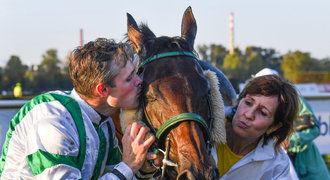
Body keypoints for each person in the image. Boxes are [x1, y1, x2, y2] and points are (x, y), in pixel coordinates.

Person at [0, 38, 156, 179]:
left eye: (136, 73)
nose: (139, 81)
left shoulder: (104, 120)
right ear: (102, 90)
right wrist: (129, 166)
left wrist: (144, 168)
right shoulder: (54, 121)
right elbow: (122, 172)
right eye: (129, 78)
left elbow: (115, 174)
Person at [216, 74, 299, 179]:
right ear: (239, 100)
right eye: (248, 102)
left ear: (274, 127)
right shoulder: (202, 125)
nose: (248, 115)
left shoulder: (278, 166)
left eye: (263, 113)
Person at [255, 68, 330, 180]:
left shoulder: (294, 100)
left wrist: (288, 142)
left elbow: (314, 128)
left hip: (307, 169)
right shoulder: (255, 104)